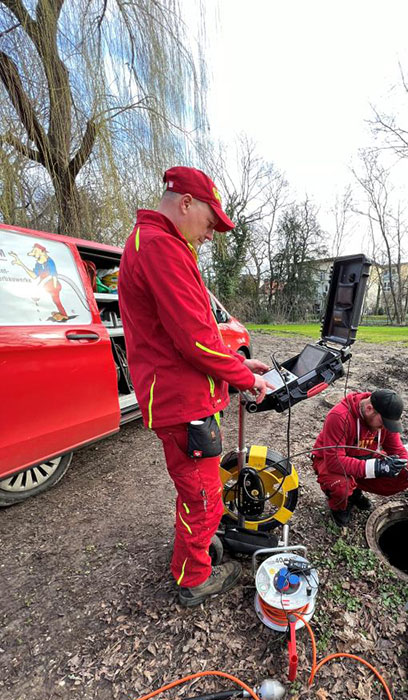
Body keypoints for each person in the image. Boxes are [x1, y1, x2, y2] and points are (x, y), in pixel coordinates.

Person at [119, 166, 273, 607]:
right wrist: (246, 378)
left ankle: (196, 550)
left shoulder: (150, 242)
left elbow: (191, 329)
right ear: (186, 203)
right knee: (203, 495)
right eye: (210, 224)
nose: (209, 236)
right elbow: (195, 341)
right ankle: (194, 578)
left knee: (196, 489)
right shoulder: (162, 248)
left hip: (177, 394)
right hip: (183, 402)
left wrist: (241, 360)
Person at [312, 389, 408, 527]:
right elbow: (334, 462)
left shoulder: (384, 417)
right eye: (383, 423)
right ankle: (339, 506)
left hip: (363, 459)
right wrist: (377, 467)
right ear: (369, 408)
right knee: (341, 486)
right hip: (330, 461)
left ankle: (355, 492)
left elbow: (398, 450)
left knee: (405, 475)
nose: (384, 427)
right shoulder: (339, 416)